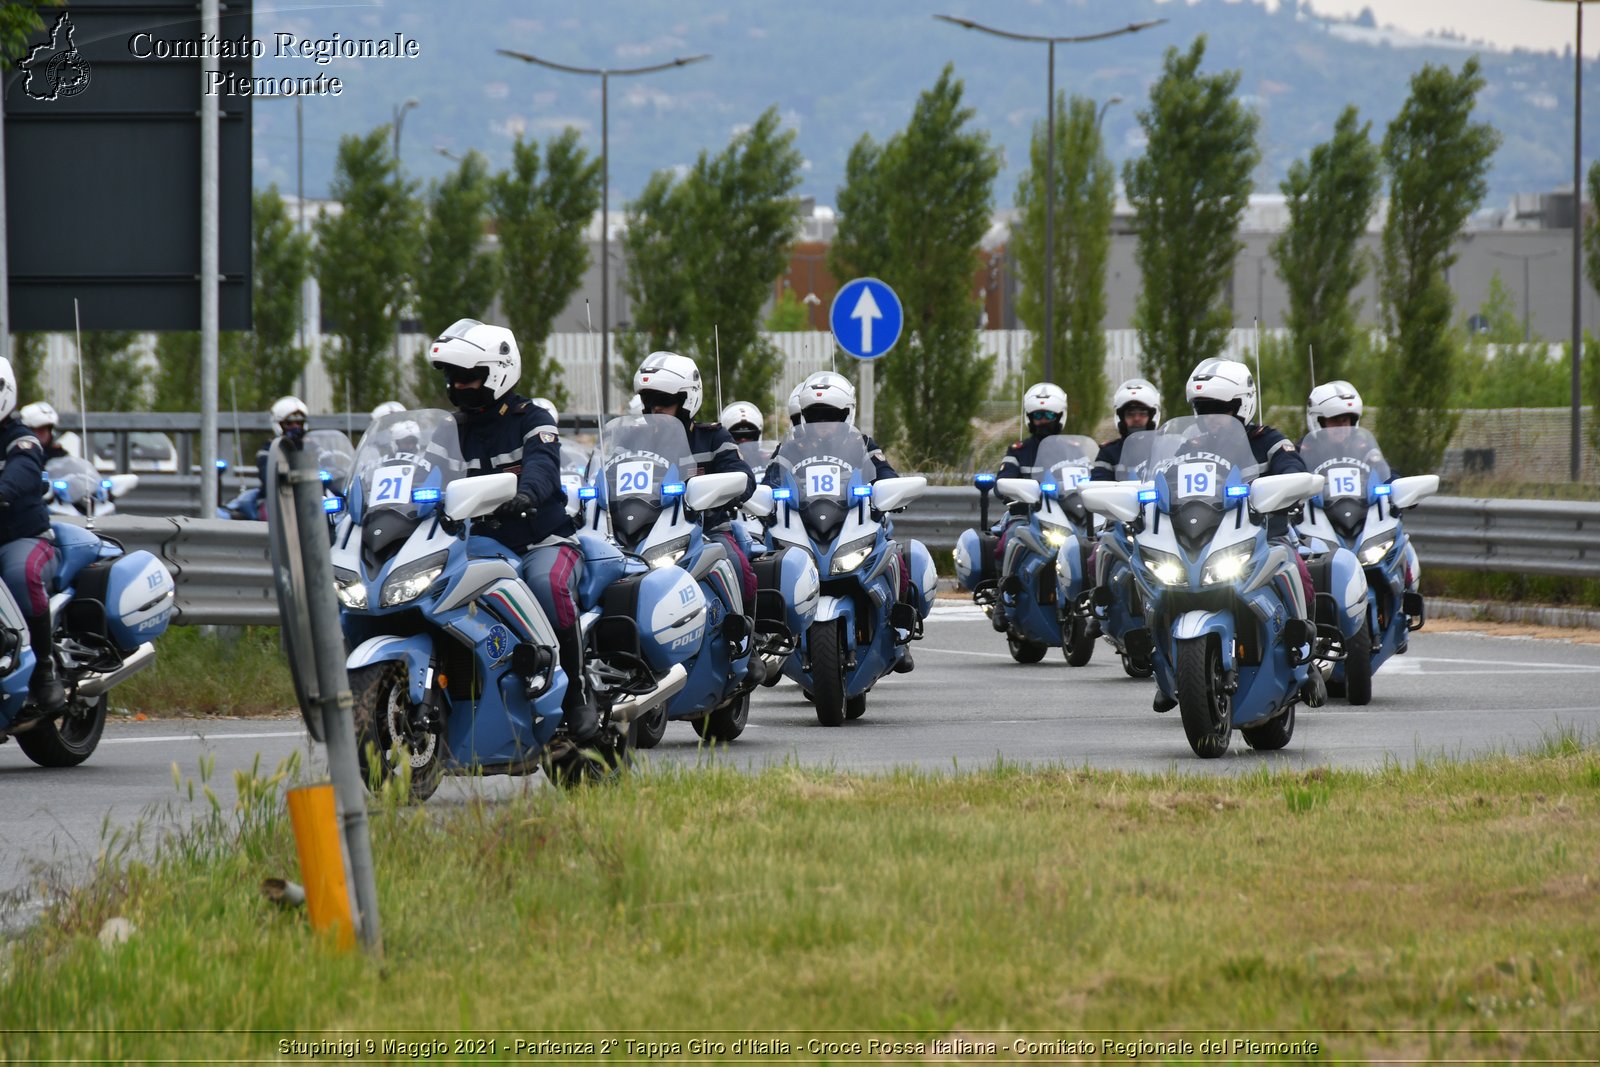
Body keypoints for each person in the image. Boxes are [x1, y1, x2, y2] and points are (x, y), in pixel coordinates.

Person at [429, 318, 598, 745]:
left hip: (540, 540)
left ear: (498, 372)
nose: (460, 384)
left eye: (470, 376)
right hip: (476, 547)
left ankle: (578, 692)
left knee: (546, 585)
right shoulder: (446, 431)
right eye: (454, 376)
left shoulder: (531, 418)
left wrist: (526, 494)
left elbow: (542, 465)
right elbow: (424, 478)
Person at [1155, 357, 1321, 711]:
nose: (1211, 417)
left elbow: (1293, 467)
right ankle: (1167, 664)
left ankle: (1305, 656)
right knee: (1157, 577)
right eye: (1202, 409)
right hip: (1204, 539)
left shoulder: (1269, 441)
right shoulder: (1191, 446)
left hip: (1265, 535)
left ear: (1242, 404)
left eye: (1220, 409)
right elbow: (1165, 477)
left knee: (1298, 569)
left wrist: (1283, 482)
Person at [773, 371, 918, 671]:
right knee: (768, 557)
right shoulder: (790, 447)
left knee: (895, 556)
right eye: (815, 416)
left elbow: (885, 472)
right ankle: (772, 634)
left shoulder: (861, 443)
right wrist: (766, 497)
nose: (823, 424)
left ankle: (900, 635)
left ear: (847, 415)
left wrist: (886, 490)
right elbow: (770, 478)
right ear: (804, 417)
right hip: (806, 523)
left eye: (832, 416)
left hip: (854, 519)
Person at [634, 352, 759, 608]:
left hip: (706, 531)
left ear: (687, 400)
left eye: (664, 400)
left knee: (737, 566)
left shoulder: (711, 437)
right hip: (642, 533)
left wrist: (719, 494)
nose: (655, 408)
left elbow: (744, 477)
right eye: (648, 400)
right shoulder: (632, 440)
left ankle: (743, 640)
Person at [0, 361, 66, 720]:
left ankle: (45, 667)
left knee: (19, 575)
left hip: (22, 537)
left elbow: (23, 470)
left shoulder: (20, 438)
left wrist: (3, 489)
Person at [1090, 378, 1160, 482]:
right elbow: (1098, 485)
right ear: (1121, 418)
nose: (1136, 418)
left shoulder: (1162, 448)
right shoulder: (1109, 452)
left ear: (1152, 416)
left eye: (1142, 413)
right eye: (1130, 414)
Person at [997, 382, 1067, 479]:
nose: (1043, 420)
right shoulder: (1018, 452)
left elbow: (1089, 481)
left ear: (1059, 417)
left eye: (1049, 415)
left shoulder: (1073, 451)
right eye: (1037, 415)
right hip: (1028, 495)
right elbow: (1002, 482)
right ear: (1030, 418)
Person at [257, 396, 309, 488]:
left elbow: (328, 463)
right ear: (278, 425)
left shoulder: (311, 446)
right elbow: (266, 476)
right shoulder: (269, 448)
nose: (295, 427)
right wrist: (284, 476)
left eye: (299, 423)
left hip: (309, 496)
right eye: (289, 423)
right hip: (279, 498)